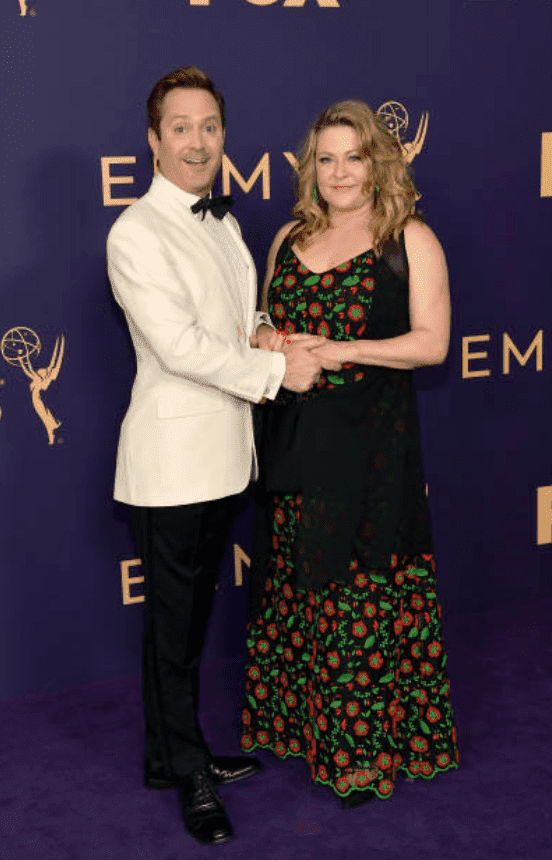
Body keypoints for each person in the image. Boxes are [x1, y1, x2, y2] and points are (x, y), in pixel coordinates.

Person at [106, 67, 339, 846]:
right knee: (172, 628)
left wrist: (267, 332)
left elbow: (236, 319)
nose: (198, 141)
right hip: (171, 460)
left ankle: (168, 754)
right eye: (181, 127)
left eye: (209, 126)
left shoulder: (223, 225)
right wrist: (278, 370)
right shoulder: (135, 232)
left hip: (223, 456)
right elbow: (176, 346)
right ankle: (189, 776)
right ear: (153, 139)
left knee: (191, 617)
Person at [241, 99, 460, 807]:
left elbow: (432, 343)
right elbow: (262, 319)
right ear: (312, 168)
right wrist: (269, 338)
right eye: (326, 158)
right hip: (292, 443)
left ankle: (361, 751)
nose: (338, 172)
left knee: (357, 592)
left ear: (377, 163)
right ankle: (298, 728)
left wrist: (341, 350)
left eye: (353, 157)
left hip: (370, 452)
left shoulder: (409, 240)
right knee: (294, 584)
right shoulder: (286, 238)